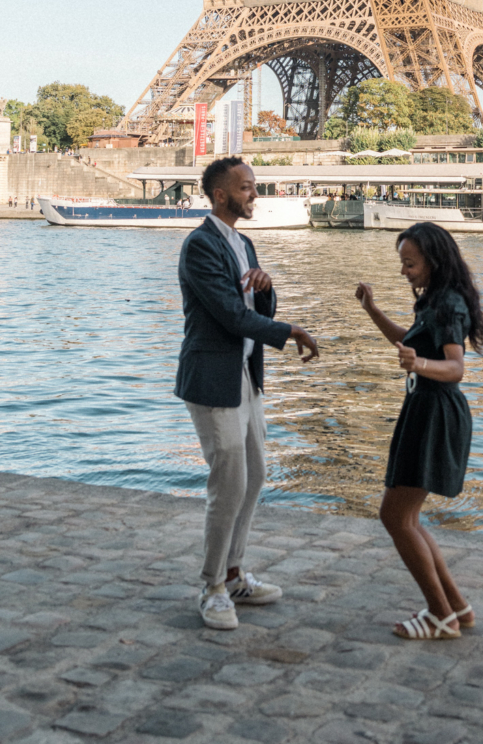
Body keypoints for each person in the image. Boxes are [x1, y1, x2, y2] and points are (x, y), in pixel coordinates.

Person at [176, 156, 319, 631]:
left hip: (244, 373)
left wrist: (268, 286)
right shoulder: (200, 246)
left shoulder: (245, 243)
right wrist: (290, 329)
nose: (254, 194)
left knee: (254, 474)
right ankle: (211, 585)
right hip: (213, 376)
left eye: (254, 186)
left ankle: (234, 572)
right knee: (229, 481)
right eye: (247, 187)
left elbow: (253, 304)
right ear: (221, 194)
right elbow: (231, 317)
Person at [355, 220, 483, 641]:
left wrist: (420, 366)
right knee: (408, 516)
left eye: (410, 263)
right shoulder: (432, 300)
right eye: (403, 263)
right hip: (424, 409)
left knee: (394, 515)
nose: (404, 272)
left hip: (436, 412)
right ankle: (456, 608)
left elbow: (455, 368)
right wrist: (372, 310)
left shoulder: (448, 304)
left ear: (433, 260)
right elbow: (408, 342)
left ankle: (439, 616)